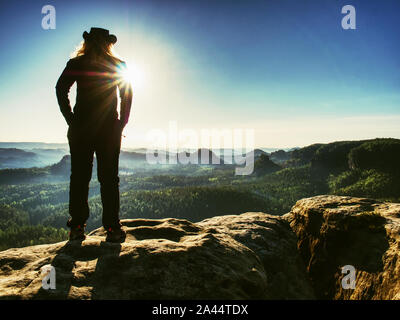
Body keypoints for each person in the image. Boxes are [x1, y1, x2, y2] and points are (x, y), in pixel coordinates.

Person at [56, 27, 133, 242]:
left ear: (87, 42)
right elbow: (127, 94)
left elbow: (60, 89)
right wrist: (121, 124)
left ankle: (78, 226)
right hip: (108, 130)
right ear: (108, 44)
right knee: (109, 179)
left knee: (80, 177)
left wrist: (71, 118)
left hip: (81, 129)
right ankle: (112, 229)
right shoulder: (118, 65)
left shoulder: (78, 63)